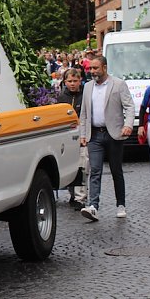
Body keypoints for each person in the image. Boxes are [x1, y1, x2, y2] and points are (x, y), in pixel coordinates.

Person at [78, 57, 135, 221]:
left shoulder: (118, 84)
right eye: (91, 69)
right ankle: (93, 206)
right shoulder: (88, 87)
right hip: (94, 135)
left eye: (96, 68)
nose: (93, 72)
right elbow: (84, 113)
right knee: (95, 170)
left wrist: (129, 125)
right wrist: (83, 134)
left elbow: (129, 106)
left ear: (104, 67)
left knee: (116, 170)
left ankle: (121, 204)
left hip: (114, 133)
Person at [57, 68, 86, 208]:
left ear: (80, 81)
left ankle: (80, 197)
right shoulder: (61, 98)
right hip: (67, 137)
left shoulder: (85, 96)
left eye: (75, 81)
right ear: (65, 82)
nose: (72, 84)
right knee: (69, 165)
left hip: (81, 136)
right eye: (70, 81)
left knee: (82, 165)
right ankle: (72, 193)